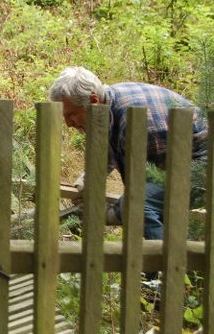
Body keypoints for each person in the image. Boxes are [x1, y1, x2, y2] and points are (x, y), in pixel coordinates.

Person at [49, 66, 208, 272]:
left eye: (71, 115)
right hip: (177, 165)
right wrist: (87, 181)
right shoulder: (111, 103)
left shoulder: (137, 121)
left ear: (93, 102)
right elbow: (110, 147)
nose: (68, 124)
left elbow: (149, 184)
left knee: (139, 207)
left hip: (202, 168)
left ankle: (168, 277)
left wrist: (110, 214)